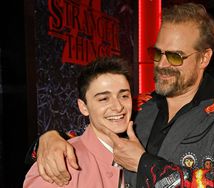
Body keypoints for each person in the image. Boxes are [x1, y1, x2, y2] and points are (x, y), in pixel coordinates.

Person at [28, 3, 214, 187]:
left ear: (204, 58)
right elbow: (89, 138)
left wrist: (142, 164)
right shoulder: (140, 104)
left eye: (175, 57)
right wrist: (50, 138)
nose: (161, 64)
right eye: (157, 52)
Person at [24, 57, 133, 187]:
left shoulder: (144, 145)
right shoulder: (59, 164)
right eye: (104, 99)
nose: (118, 106)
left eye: (124, 96)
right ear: (83, 107)